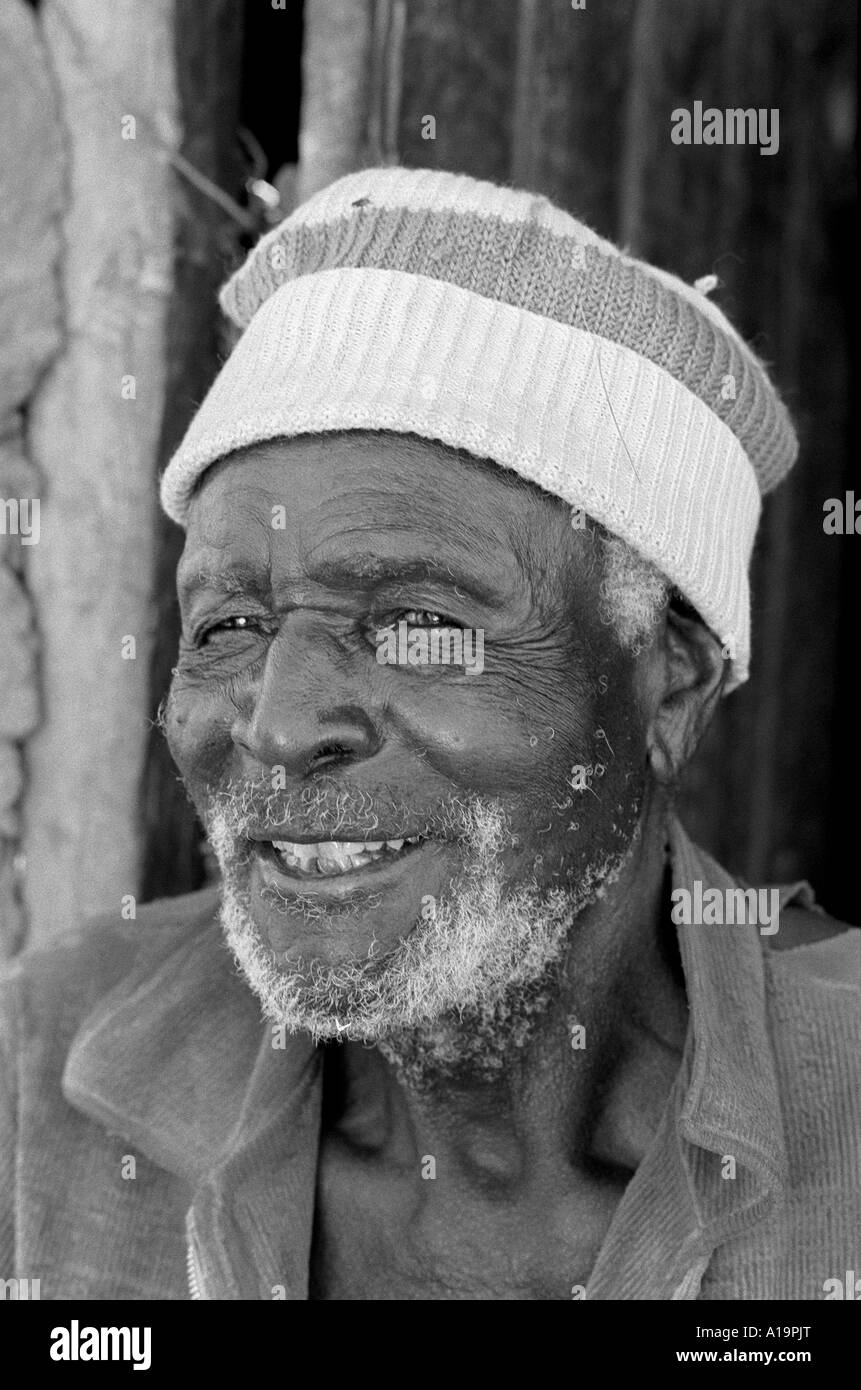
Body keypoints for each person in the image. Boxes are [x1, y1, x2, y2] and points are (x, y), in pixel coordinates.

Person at [2, 168, 858, 1301]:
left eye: (416, 624)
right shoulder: (42, 1059)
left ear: (673, 685)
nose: (278, 723)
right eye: (232, 624)